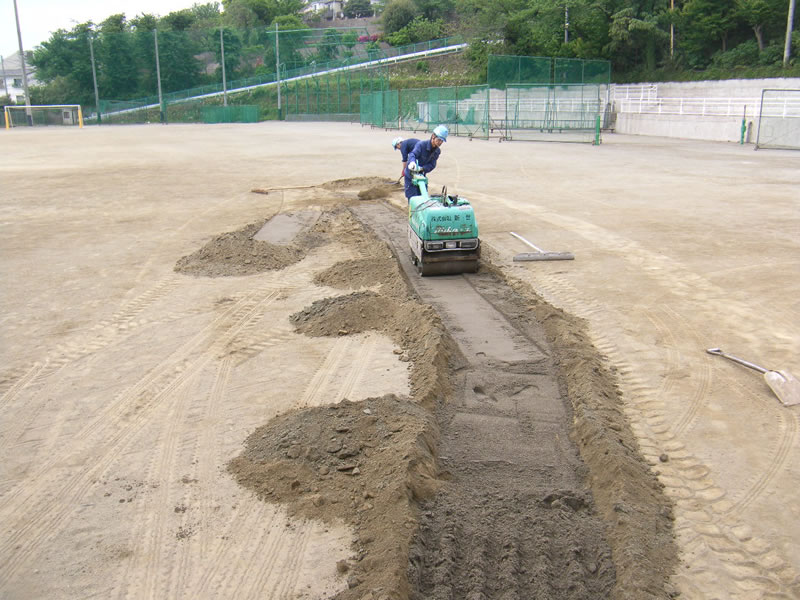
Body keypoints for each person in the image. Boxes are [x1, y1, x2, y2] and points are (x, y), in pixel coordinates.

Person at [404, 125, 448, 201]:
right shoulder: (421, 145)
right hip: (411, 177)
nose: (440, 142)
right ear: (433, 136)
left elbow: (432, 165)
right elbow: (413, 154)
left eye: (442, 141)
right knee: (413, 199)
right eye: (439, 139)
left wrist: (422, 168)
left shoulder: (437, 151)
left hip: (421, 177)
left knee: (423, 199)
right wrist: (412, 163)